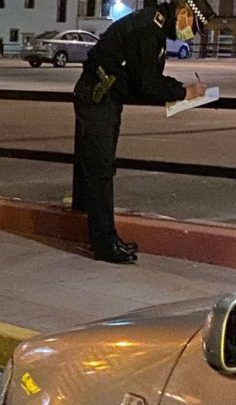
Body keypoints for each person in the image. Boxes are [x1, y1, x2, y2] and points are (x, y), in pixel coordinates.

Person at [72, 0, 217, 263]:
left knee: (101, 169)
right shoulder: (149, 29)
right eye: (193, 28)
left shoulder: (154, 28)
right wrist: (185, 92)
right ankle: (104, 244)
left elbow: (142, 79)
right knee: (100, 171)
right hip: (97, 98)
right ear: (183, 13)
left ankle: (105, 239)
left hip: (106, 99)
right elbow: (147, 83)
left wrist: (174, 91)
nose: (191, 34)